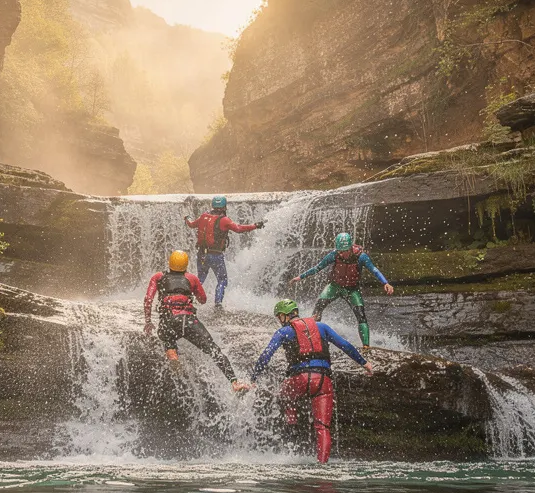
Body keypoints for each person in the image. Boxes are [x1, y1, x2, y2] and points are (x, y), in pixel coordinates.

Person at [249, 299, 374, 463]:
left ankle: (292, 426)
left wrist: (253, 378)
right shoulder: (322, 327)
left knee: (285, 394)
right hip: (323, 381)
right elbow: (345, 345)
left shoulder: (284, 332)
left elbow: (266, 355)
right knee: (322, 427)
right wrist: (364, 363)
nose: (279, 320)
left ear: (285, 316)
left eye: (279, 317)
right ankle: (322, 464)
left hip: (298, 380)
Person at [144, 250, 252, 392]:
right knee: (213, 350)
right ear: (186, 265)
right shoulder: (191, 278)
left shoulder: (158, 276)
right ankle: (234, 382)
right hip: (188, 320)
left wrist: (148, 321)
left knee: (168, 339)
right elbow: (203, 299)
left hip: (168, 319)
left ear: (170, 263)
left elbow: (148, 299)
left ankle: (173, 357)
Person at [290, 232, 395, 350]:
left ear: (350, 248)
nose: (341, 253)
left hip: (352, 290)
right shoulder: (334, 255)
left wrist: (385, 282)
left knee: (361, 316)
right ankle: (313, 340)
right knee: (318, 307)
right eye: (339, 250)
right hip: (334, 287)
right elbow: (318, 267)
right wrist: (300, 277)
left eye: (343, 251)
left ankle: (366, 347)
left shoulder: (361, 257)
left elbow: (374, 270)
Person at [184, 195, 263, 309]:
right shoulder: (224, 220)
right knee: (222, 280)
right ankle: (218, 304)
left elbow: (191, 224)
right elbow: (239, 228)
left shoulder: (203, 217)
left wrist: (187, 218)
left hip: (202, 254)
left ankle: (188, 299)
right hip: (215, 255)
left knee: (200, 278)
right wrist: (255, 226)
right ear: (224, 207)